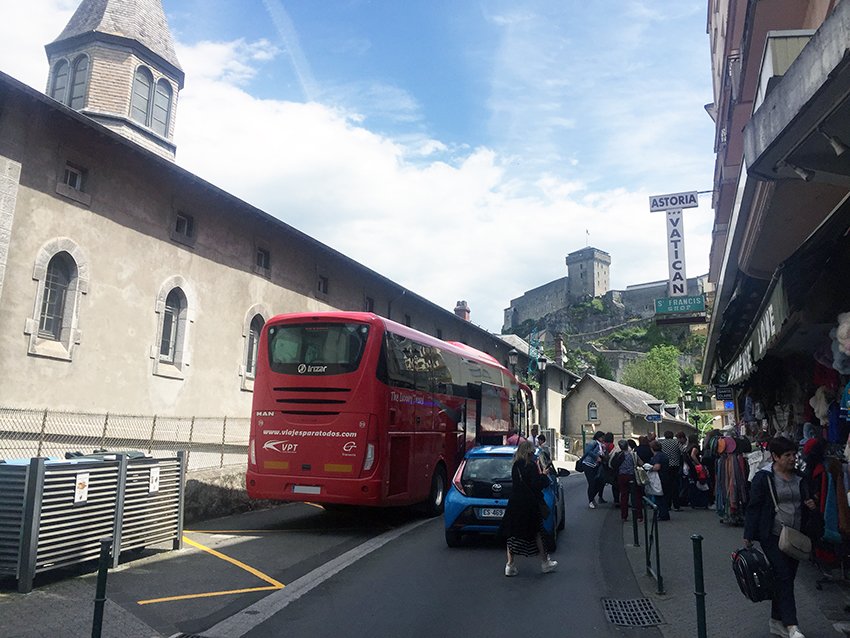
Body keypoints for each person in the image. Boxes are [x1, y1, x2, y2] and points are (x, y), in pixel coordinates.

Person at [743, 437, 816, 638]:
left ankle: (776, 621)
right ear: (775, 457)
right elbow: (754, 506)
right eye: (787, 455)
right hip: (773, 535)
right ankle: (792, 625)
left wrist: (811, 505)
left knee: (786, 579)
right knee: (783, 575)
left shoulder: (801, 477)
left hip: (796, 536)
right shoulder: (764, 478)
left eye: (794, 454)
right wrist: (748, 535)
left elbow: (807, 500)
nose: (793, 459)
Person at [500, 440, 558, 576]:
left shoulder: (515, 466)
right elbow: (536, 485)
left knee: (512, 533)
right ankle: (545, 562)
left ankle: (510, 565)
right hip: (529, 505)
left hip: (515, 503)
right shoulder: (531, 466)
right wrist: (543, 474)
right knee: (537, 532)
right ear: (529, 452)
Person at [644, 439, 670, 520]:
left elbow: (657, 467)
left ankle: (662, 514)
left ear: (652, 448)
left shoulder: (657, 456)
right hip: (665, 476)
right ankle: (664, 514)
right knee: (664, 497)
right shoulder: (663, 455)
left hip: (659, 478)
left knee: (659, 497)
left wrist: (649, 468)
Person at [611, 439, 636, 522]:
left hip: (621, 476)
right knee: (634, 495)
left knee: (623, 495)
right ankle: (638, 514)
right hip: (631, 475)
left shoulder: (618, 455)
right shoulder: (632, 454)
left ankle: (624, 516)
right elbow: (638, 463)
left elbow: (612, 464)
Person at [683, 433, 709, 508]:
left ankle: (693, 501)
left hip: (689, 468)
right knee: (699, 483)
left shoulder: (687, 447)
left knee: (692, 485)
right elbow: (693, 455)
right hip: (694, 467)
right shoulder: (694, 446)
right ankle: (700, 502)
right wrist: (698, 464)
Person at [659, 430, 683, 511]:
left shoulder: (661, 443)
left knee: (666, 486)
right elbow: (683, 451)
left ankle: (667, 505)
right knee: (675, 485)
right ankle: (676, 505)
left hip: (665, 466)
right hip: (675, 465)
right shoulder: (676, 442)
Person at [581, 431, 606, 508]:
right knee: (591, 483)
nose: (603, 439)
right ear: (598, 437)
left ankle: (592, 498)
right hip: (588, 465)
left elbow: (601, 453)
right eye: (602, 437)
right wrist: (596, 457)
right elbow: (587, 451)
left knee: (597, 482)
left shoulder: (600, 445)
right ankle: (590, 500)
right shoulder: (593, 442)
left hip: (595, 466)